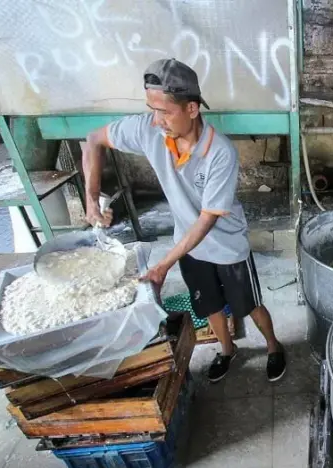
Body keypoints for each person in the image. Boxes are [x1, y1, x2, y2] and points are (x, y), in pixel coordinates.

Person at [82, 58, 286, 384]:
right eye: (152, 109)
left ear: (192, 109)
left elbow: (206, 220)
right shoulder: (150, 130)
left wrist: (163, 265)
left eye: (165, 112)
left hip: (227, 246)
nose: (157, 120)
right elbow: (94, 139)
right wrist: (92, 199)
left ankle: (274, 346)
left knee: (249, 305)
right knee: (210, 306)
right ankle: (227, 350)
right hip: (188, 247)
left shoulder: (220, 152)